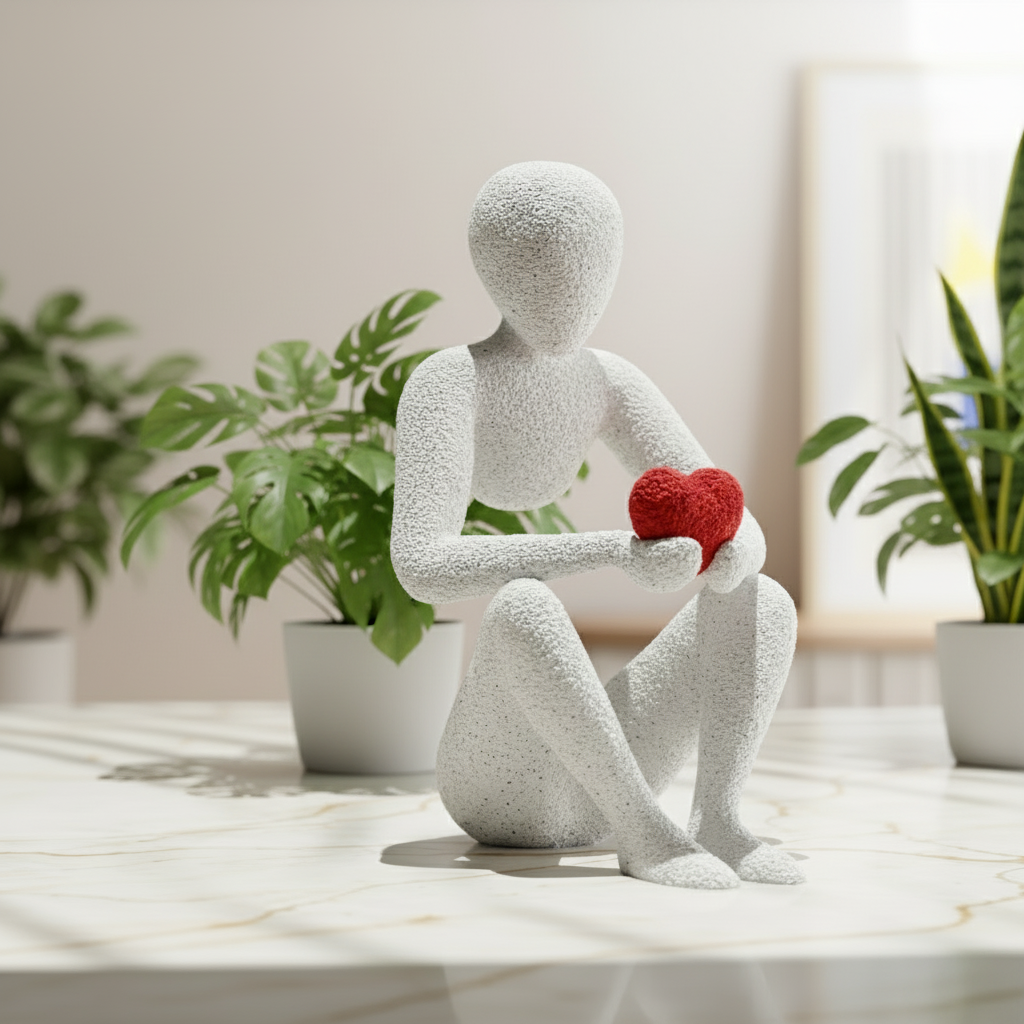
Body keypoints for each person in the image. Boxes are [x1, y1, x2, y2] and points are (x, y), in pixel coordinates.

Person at [391, 162, 800, 889]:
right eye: (538, 271)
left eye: (589, 271)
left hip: (600, 780)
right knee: (522, 605)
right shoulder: (449, 381)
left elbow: (743, 526)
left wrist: (729, 553)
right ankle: (646, 837)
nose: (568, 295)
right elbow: (421, 566)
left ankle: (718, 822)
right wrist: (614, 551)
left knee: (763, 599)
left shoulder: (609, 380)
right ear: (494, 272)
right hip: (496, 789)